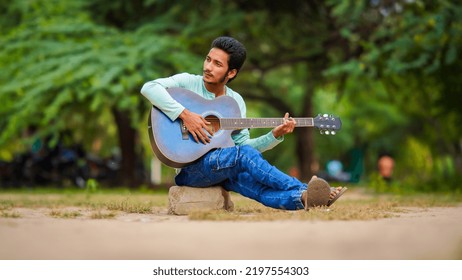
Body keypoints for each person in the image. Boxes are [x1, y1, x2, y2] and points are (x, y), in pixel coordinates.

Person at [141, 36, 346, 210]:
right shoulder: (188, 82)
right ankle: (302, 187)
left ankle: (305, 199)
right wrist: (185, 115)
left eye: (217, 64)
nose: (208, 67)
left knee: (254, 185)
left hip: (223, 166)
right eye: (208, 59)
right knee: (243, 158)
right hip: (191, 170)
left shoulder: (236, 102)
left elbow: (243, 148)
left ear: (231, 73)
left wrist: (273, 135)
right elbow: (149, 88)